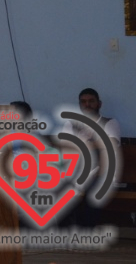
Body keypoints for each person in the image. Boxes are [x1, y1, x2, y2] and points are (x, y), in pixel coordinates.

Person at [63, 87, 121, 227]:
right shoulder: (71, 123)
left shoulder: (109, 122)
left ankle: (85, 232)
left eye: (91, 101)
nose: (87, 104)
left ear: (99, 104)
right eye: (83, 102)